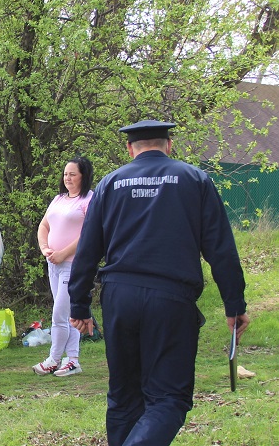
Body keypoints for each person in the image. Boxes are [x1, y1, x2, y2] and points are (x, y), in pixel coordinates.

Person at [68, 120, 249, 446]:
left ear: (130, 149)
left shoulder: (110, 183)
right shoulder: (195, 179)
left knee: (123, 398)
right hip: (171, 298)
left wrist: (79, 304)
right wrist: (234, 304)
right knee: (169, 398)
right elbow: (220, 248)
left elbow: (87, 250)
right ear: (169, 145)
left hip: (119, 297)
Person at [34, 156, 94, 377]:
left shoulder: (89, 200)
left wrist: (63, 253)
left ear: (83, 176)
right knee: (69, 316)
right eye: (65, 174)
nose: (67, 178)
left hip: (73, 266)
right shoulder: (58, 199)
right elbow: (44, 225)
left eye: (73, 174)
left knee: (59, 314)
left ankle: (54, 359)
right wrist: (45, 249)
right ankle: (73, 360)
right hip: (54, 265)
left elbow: (89, 234)